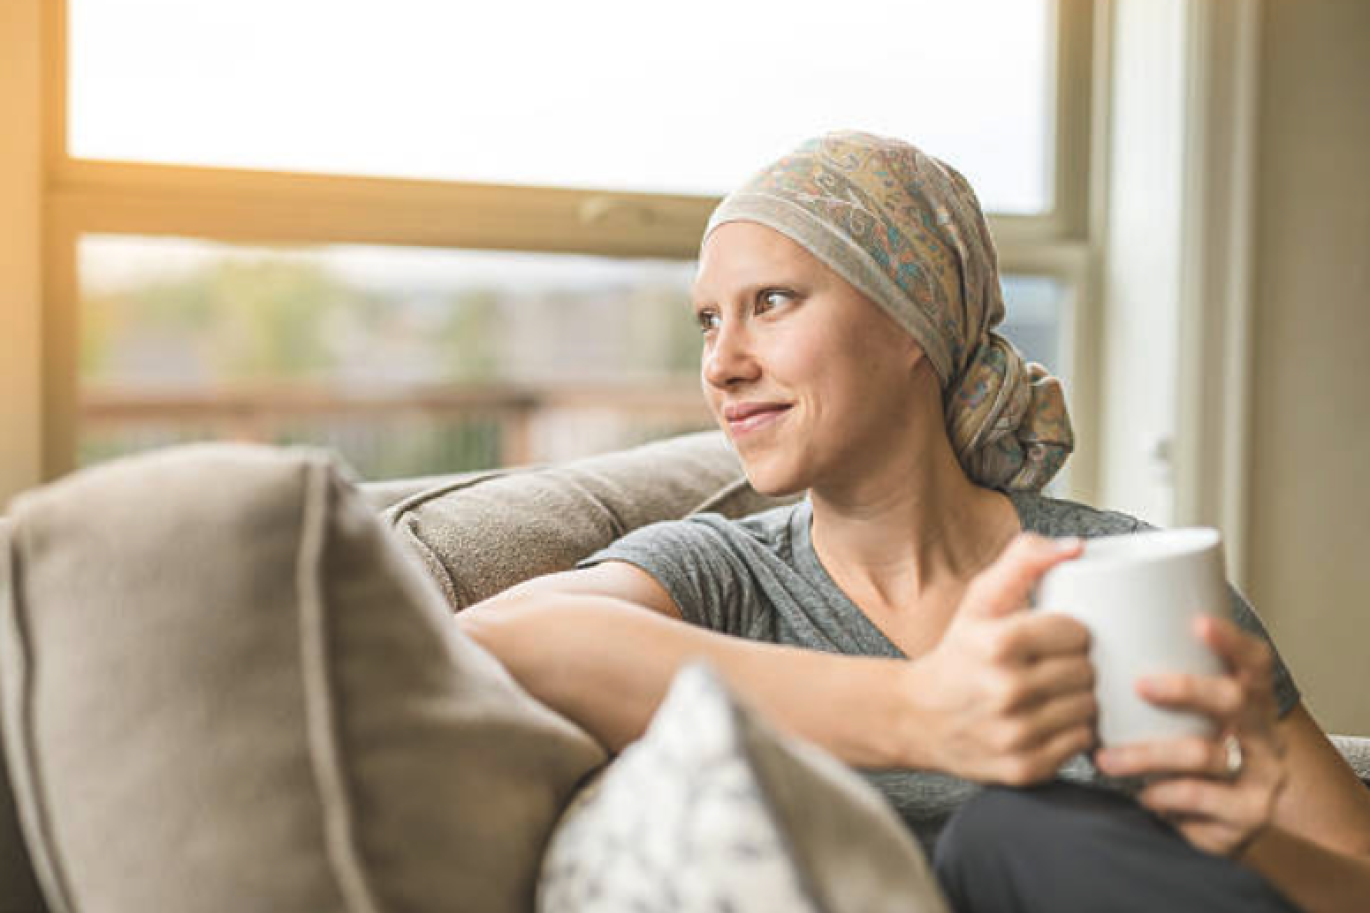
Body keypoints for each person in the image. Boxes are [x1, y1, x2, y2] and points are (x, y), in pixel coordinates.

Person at [457, 131, 1370, 912]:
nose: (723, 363)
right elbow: (496, 637)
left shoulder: (1120, 573)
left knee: (1015, 833)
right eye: (707, 320)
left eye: (770, 302)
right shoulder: (723, 576)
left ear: (911, 323)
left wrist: (1248, 841)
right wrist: (924, 715)